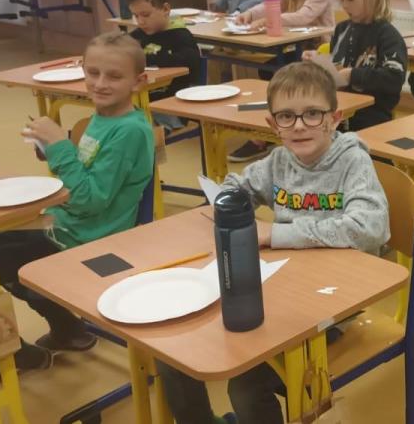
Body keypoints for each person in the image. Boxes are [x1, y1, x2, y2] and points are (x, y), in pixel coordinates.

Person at [155, 61, 390, 423]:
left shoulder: (352, 162)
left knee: (245, 387)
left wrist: (276, 234)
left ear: (335, 118)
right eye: (286, 116)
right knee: (175, 348)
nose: (299, 125)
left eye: (313, 114)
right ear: (272, 124)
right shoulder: (279, 161)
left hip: (336, 302)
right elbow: (238, 187)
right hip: (282, 284)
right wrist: (229, 203)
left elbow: (370, 227)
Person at [0, 32, 155, 370]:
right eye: (92, 73)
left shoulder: (130, 130)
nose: (100, 84)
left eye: (114, 76)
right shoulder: (105, 117)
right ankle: (68, 330)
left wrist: (60, 147)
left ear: (139, 81)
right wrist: (52, 148)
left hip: (86, 242)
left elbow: (89, 200)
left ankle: (14, 357)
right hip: (64, 226)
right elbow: (87, 175)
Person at [230, 0, 336, 162]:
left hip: (319, 49)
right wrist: (250, 14)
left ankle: (282, 133)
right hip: (298, 47)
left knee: (284, 77)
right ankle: (272, 131)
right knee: (268, 71)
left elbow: (304, 16)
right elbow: (271, 3)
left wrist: (270, 19)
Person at [305, 0, 407, 131]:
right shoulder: (342, 29)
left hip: (370, 115)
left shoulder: (387, 35)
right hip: (337, 109)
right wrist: (318, 61)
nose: (344, 5)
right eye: (342, 0)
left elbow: (394, 78)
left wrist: (352, 75)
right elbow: (336, 66)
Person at [125, 0, 203, 132]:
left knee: (136, 129)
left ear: (166, 9)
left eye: (145, 15)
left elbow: (189, 63)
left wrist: (147, 59)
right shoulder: (138, 36)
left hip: (174, 106)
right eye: (136, 15)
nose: (140, 21)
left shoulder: (181, 36)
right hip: (142, 102)